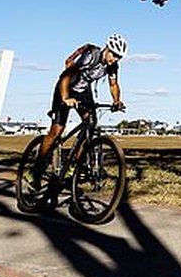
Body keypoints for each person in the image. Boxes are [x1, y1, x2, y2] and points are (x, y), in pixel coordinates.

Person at [35, 34, 128, 178]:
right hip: (66, 87)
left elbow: (114, 84)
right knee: (57, 130)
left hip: (83, 91)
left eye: (118, 58)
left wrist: (117, 101)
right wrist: (66, 98)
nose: (115, 59)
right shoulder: (91, 56)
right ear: (107, 48)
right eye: (114, 55)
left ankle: (74, 165)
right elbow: (66, 75)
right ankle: (37, 168)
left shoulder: (112, 66)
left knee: (90, 124)